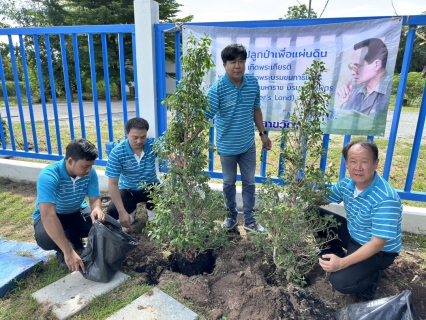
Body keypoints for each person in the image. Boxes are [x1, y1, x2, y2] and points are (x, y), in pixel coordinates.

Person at [318, 140, 402, 300]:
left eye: (365, 162)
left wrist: (342, 264)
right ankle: (334, 254)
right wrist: (301, 189)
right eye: (353, 162)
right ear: (346, 164)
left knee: (340, 281)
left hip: (379, 251)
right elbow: (322, 197)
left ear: (376, 163)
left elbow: (378, 243)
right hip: (354, 235)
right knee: (313, 213)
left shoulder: (385, 198)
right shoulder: (347, 184)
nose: (358, 168)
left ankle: (370, 279)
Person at [206, 43, 272, 233]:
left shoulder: (252, 83)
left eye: (241, 61)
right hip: (227, 146)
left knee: (250, 182)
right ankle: (231, 217)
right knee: (228, 183)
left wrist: (262, 134)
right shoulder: (217, 90)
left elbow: (256, 109)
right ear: (224, 65)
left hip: (248, 145)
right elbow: (204, 117)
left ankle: (250, 221)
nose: (237, 66)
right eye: (232, 62)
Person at [33, 139, 105, 272]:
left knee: (102, 226)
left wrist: (97, 208)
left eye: (91, 166)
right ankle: (62, 248)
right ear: (70, 161)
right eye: (85, 166)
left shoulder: (90, 173)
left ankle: (72, 237)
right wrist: (68, 251)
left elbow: (95, 198)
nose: (89, 170)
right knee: (45, 238)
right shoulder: (49, 175)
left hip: (77, 211)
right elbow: (48, 216)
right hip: (55, 215)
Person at [105, 117, 160, 228]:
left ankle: (152, 215)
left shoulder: (153, 145)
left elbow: (169, 151)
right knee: (112, 213)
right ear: (127, 133)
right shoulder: (117, 152)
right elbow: (113, 184)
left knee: (164, 197)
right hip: (128, 189)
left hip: (151, 187)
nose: (139, 141)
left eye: (143, 137)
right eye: (135, 137)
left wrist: (174, 156)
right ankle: (131, 210)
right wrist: (121, 211)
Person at [336, 38, 392, 116]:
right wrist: (341, 104)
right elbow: (343, 123)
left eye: (357, 65)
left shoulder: (392, 91)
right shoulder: (354, 93)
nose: (352, 72)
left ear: (377, 65)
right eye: (351, 66)